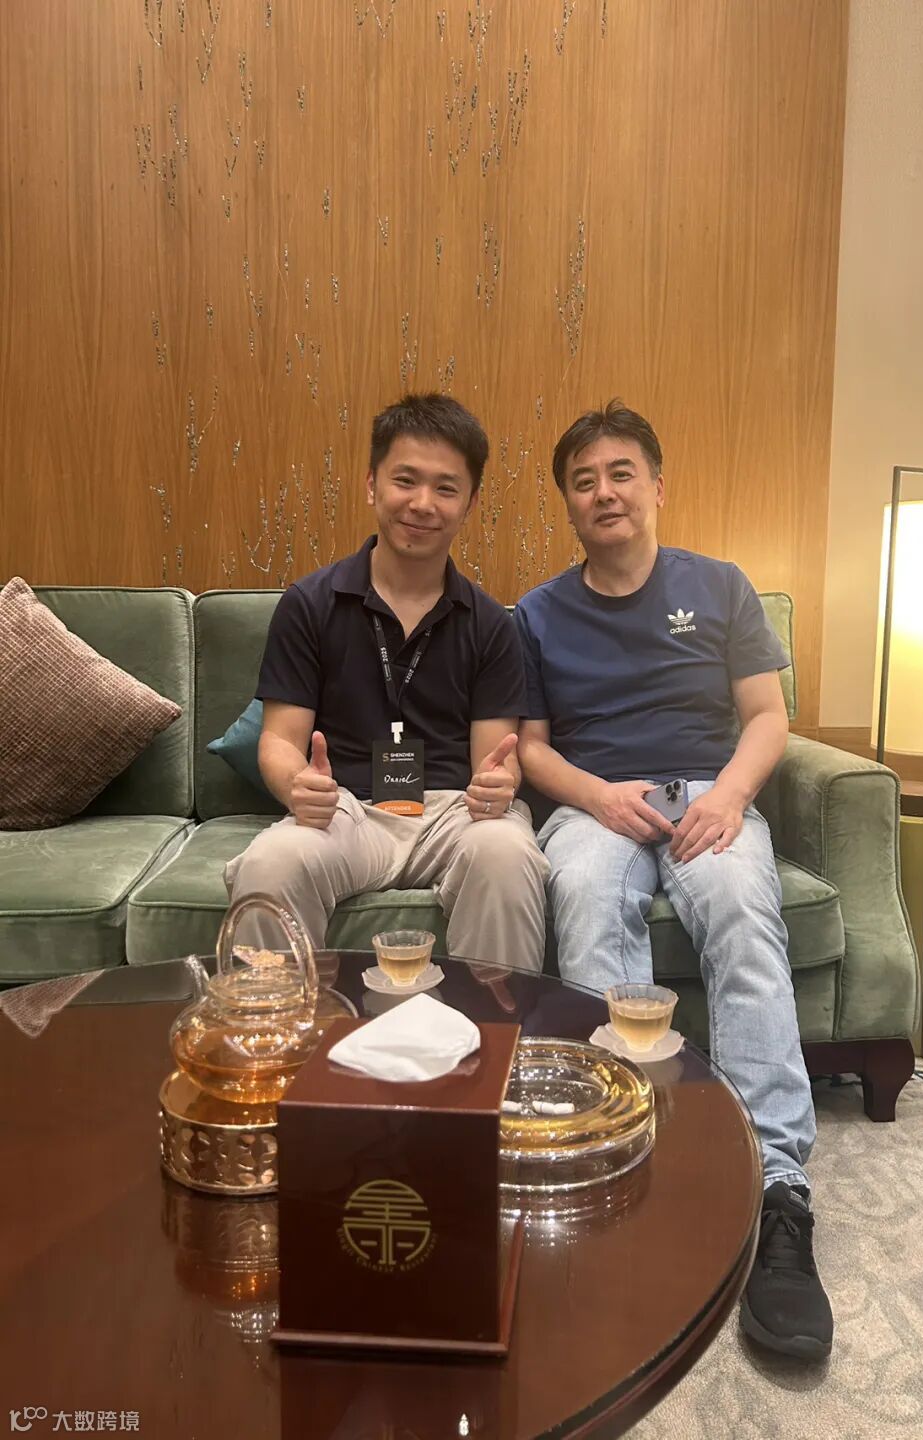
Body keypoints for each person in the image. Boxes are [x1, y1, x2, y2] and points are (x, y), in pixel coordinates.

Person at [514, 400, 833, 1359]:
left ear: (657, 485)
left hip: (706, 792)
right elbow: (531, 748)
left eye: (621, 473)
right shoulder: (535, 613)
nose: (604, 492)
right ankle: (618, 1159)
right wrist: (596, 796)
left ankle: (779, 1192)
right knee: (584, 903)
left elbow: (766, 716)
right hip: (596, 801)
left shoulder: (720, 585)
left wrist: (730, 797)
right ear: (568, 503)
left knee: (741, 912)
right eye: (583, 481)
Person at [224, 393, 549, 972]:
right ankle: (274, 1027)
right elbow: (278, 739)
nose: (423, 503)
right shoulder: (310, 604)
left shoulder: (490, 624)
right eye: (405, 480)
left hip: (453, 813)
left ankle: (496, 1027)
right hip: (345, 811)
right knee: (271, 863)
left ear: (470, 503)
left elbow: (493, 762)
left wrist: (500, 784)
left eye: (446, 488)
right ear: (372, 485)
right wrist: (298, 786)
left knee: (506, 851)